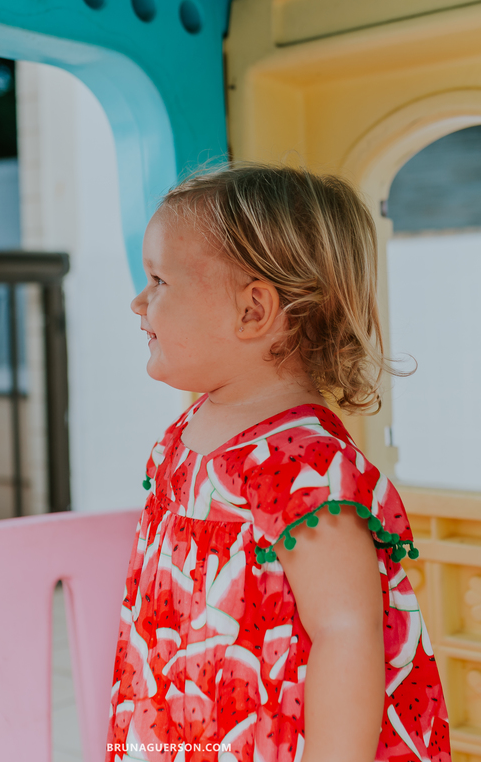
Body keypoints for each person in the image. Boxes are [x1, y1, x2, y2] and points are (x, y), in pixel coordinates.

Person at [106, 164, 449, 762]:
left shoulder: (303, 465)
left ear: (252, 312)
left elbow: (347, 634)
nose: (139, 302)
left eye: (159, 281)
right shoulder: (191, 431)